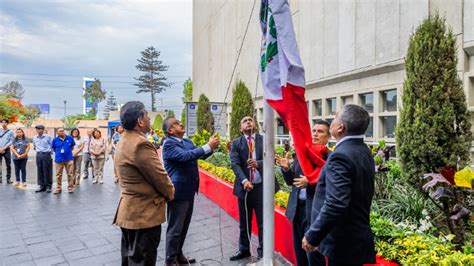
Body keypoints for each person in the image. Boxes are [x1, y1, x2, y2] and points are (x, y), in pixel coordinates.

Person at [303, 104, 376, 265]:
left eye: (335, 118)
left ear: (340, 127)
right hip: (355, 238)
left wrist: (312, 235)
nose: (332, 121)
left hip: (343, 241)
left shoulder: (340, 156)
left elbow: (336, 202)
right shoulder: (364, 151)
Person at [113, 101, 175, 265]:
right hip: (143, 216)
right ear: (140, 121)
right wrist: (171, 194)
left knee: (130, 260)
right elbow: (160, 178)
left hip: (130, 213)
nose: (149, 119)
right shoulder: (140, 144)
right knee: (143, 261)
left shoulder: (124, 140)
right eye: (147, 116)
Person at [162, 117, 220, 266]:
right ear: (170, 130)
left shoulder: (187, 142)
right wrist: (207, 146)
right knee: (175, 228)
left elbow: (197, 154)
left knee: (184, 226)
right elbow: (186, 156)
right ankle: (170, 260)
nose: (181, 123)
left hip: (190, 190)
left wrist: (212, 147)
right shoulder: (168, 144)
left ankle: (178, 254)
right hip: (178, 192)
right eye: (176, 123)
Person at [276, 120, 330, 266]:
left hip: (314, 211)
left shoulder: (330, 158)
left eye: (321, 131)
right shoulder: (302, 154)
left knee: (313, 255)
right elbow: (292, 182)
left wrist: (311, 180)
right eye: (314, 131)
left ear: (328, 137)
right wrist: (287, 169)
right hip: (297, 209)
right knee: (299, 252)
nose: (316, 134)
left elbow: (330, 185)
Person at [229, 116, 280, 261]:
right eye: (244, 121)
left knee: (263, 222)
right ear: (240, 128)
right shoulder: (236, 143)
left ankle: (263, 252)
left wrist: (258, 163)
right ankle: (244, 249)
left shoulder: (264, 140)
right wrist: (244, 180)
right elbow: (235, 164)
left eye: (250, 120)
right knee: (244, 222)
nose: (248, 122)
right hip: (244, 188)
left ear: (255, 125)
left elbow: (272, 158)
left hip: (262, 188)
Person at [51, 127, 76, 194]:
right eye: (60, 131)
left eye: (63, 130)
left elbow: (72, 147)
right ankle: (58, 188)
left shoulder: (70, 138)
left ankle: (70, 188)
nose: (62, 132)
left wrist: (67, 152)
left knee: (70, 174)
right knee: (58, 174)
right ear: (57, 133)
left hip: (69, 159)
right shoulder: (55, 140)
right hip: (59, 160)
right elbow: (53, 148)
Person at [32, 125, 53, 193]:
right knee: (40, 170)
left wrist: (49, 153)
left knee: (47, 170)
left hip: (46, 154)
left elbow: (52, 145)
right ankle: (42, 186)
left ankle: (48, 186)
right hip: (38, 155)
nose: (39, 130)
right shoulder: (34, 137)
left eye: (40, 129)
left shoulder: (48, 136)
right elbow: (35, 145)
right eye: (37, 129)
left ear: (43, 130)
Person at [0, 119, 14, 184]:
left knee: (8, 165)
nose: (3, 123)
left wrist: (4, 148)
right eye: (2, 122)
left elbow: (11, 141)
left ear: (7, 123)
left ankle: (8, 179)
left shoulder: (10, 131)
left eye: (5, 122)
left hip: (7, 150)